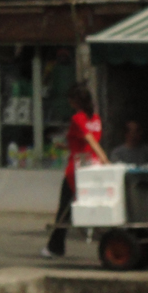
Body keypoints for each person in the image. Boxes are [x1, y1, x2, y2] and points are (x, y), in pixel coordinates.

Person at [42, 82, 108, 258]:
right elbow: (86, 141)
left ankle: (55, 247)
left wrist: (106, 159)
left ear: (75, 101)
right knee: (70, 209)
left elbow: (90, 141)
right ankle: (55, 245)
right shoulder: (96, 119)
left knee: (64, 209)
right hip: (92, 165)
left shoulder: (77, 118)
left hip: (77, 169)